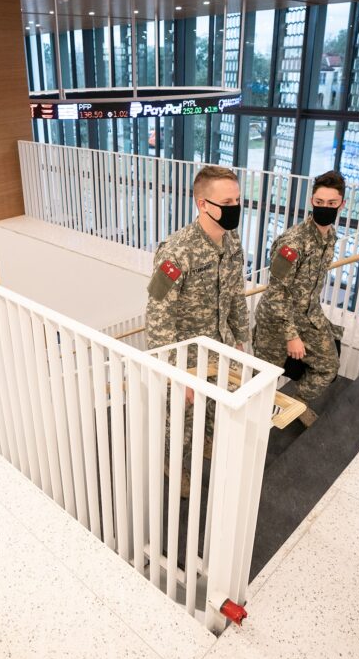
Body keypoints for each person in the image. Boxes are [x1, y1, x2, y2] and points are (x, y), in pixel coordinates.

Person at [145, 165, 250, 496]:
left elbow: (235, 293)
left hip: (223, 347)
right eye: (226, 201)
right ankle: (171, 463)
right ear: (203, 204)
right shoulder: (176, 250)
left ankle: (207, 437)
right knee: (180, 423)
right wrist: (175, 372)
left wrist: (243, 339)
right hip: (188, 357)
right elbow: (158, 312)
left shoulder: (232, 242)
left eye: (237, 199)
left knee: (225, 406)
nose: (234, 207)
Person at [252, 170, 345, 428]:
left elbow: (310, 288)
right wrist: (291, 335)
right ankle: (253, 424)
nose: (324, 208)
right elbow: (277, 292)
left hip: (306, 316)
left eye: (331, 204)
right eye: (319, 203)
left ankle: (296, 405)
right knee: (263, 377)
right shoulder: (293, 243)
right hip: (276, 321)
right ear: (312, 202)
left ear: (341, 204)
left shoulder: (330, 237)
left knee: (328, 366)